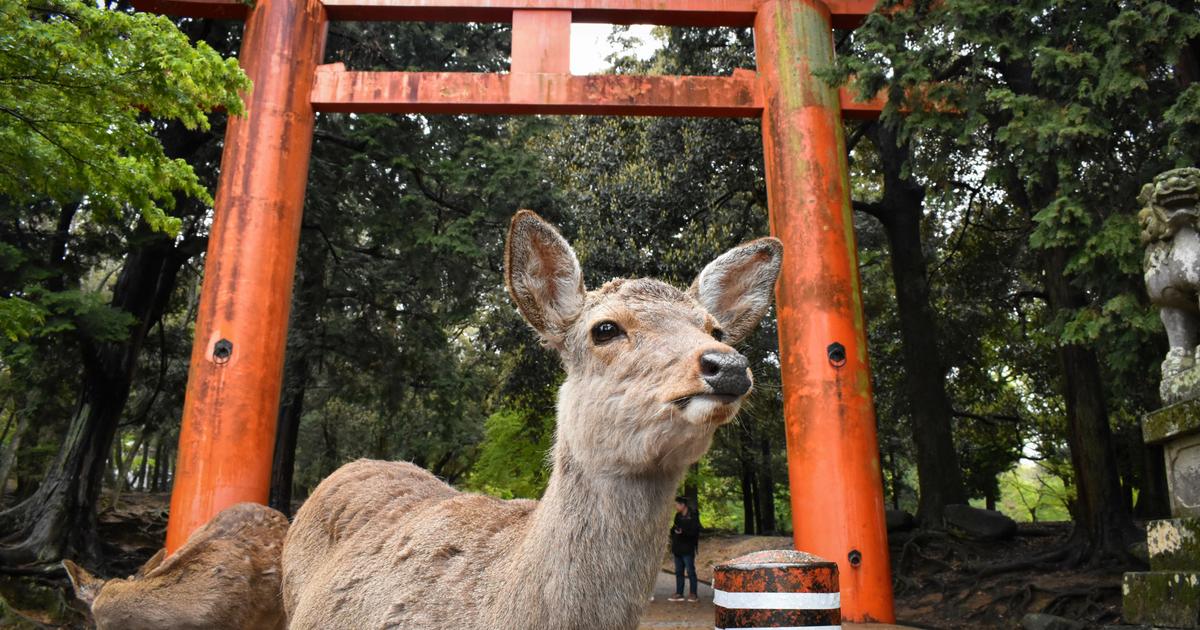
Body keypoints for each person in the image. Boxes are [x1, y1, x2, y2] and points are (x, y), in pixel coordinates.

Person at [667, 496, 700, 602]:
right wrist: (673, 531)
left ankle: (693, 594)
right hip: (677, 548)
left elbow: (695, 532)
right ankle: (679, 593)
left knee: (690, 571)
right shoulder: (677, 516)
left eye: (676, 505)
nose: (675, 507)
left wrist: (683, 532)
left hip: (688, 548)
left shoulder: (693, 516)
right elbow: (674, 528)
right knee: (678, 572)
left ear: (682, 505)